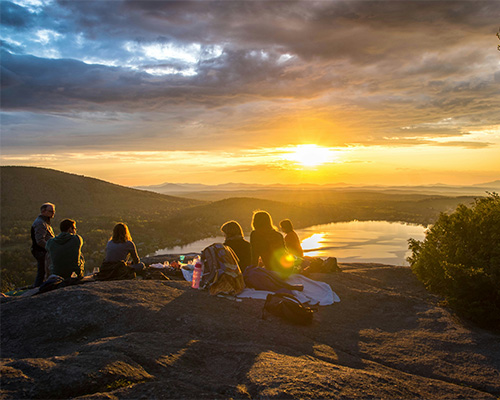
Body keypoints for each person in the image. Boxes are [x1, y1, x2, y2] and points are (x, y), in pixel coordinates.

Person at [250, 210, 291, 277]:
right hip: (286, 269)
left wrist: (251, 271)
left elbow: (254, 256)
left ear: (255, 222)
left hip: (272, 270)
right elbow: (285, 252)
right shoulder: (278, 235)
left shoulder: (255, 234)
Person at [31, 202, 56, 287]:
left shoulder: (44, 222)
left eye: (53, 211)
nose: (53, 213)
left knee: (43, 271)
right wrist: (50, 248)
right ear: (43, 211)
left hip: (43, 251)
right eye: (50, 211)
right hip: (41, 251)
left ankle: (39, 287)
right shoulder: (40, 223)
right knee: (43, 271)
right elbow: (40, 240)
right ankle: (38, 288)